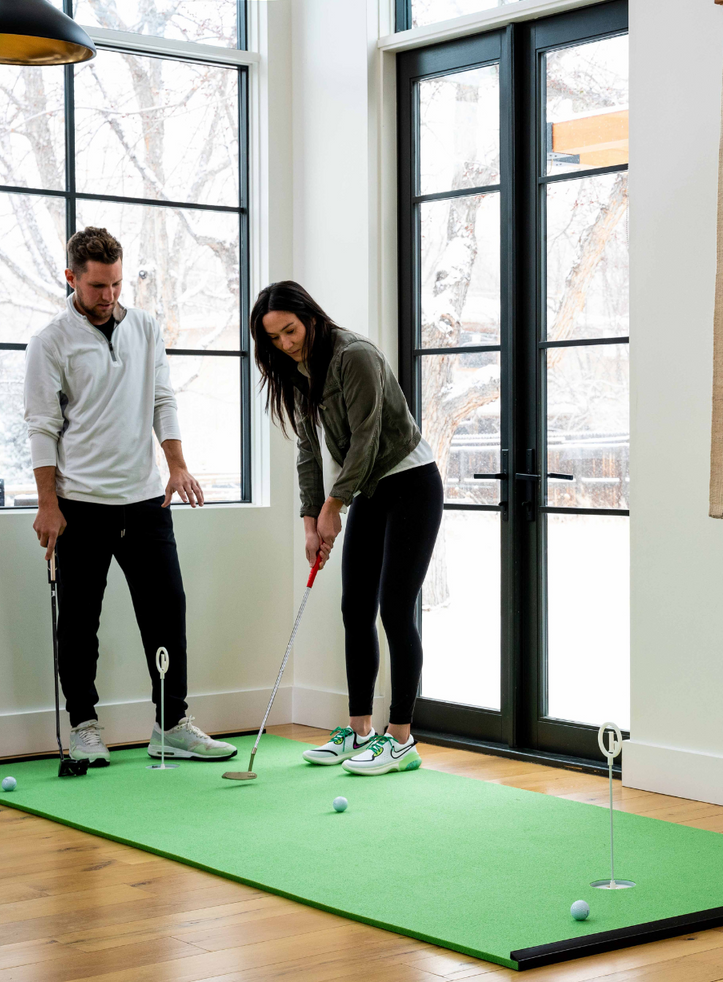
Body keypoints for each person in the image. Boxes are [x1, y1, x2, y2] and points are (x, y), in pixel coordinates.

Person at [24, 226, 236, 766]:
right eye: (98, 285)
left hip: (145, 503)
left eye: (116, 284)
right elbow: (42, 426)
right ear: (71, 278)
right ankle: (84, 726)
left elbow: (163, 399)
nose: (109, 295)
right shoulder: (51, 342)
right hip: (80, 505)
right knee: (79, 625)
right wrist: (48, 504)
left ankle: (171, 725)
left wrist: (177, 465)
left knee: (167, 613)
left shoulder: (144, 327)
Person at [250, 281, 443, 776]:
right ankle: (359, 732)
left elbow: (366, 438)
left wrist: (335, 506)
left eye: (290, 331)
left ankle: (401, 739)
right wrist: (310, 521)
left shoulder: (355, 356)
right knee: (355, 608)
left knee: (395, 609)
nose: (285, 344)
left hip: (410, 483)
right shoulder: (297, 372)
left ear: (310, 317)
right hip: (369, 490)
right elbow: (309, 451)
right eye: (274, 338)